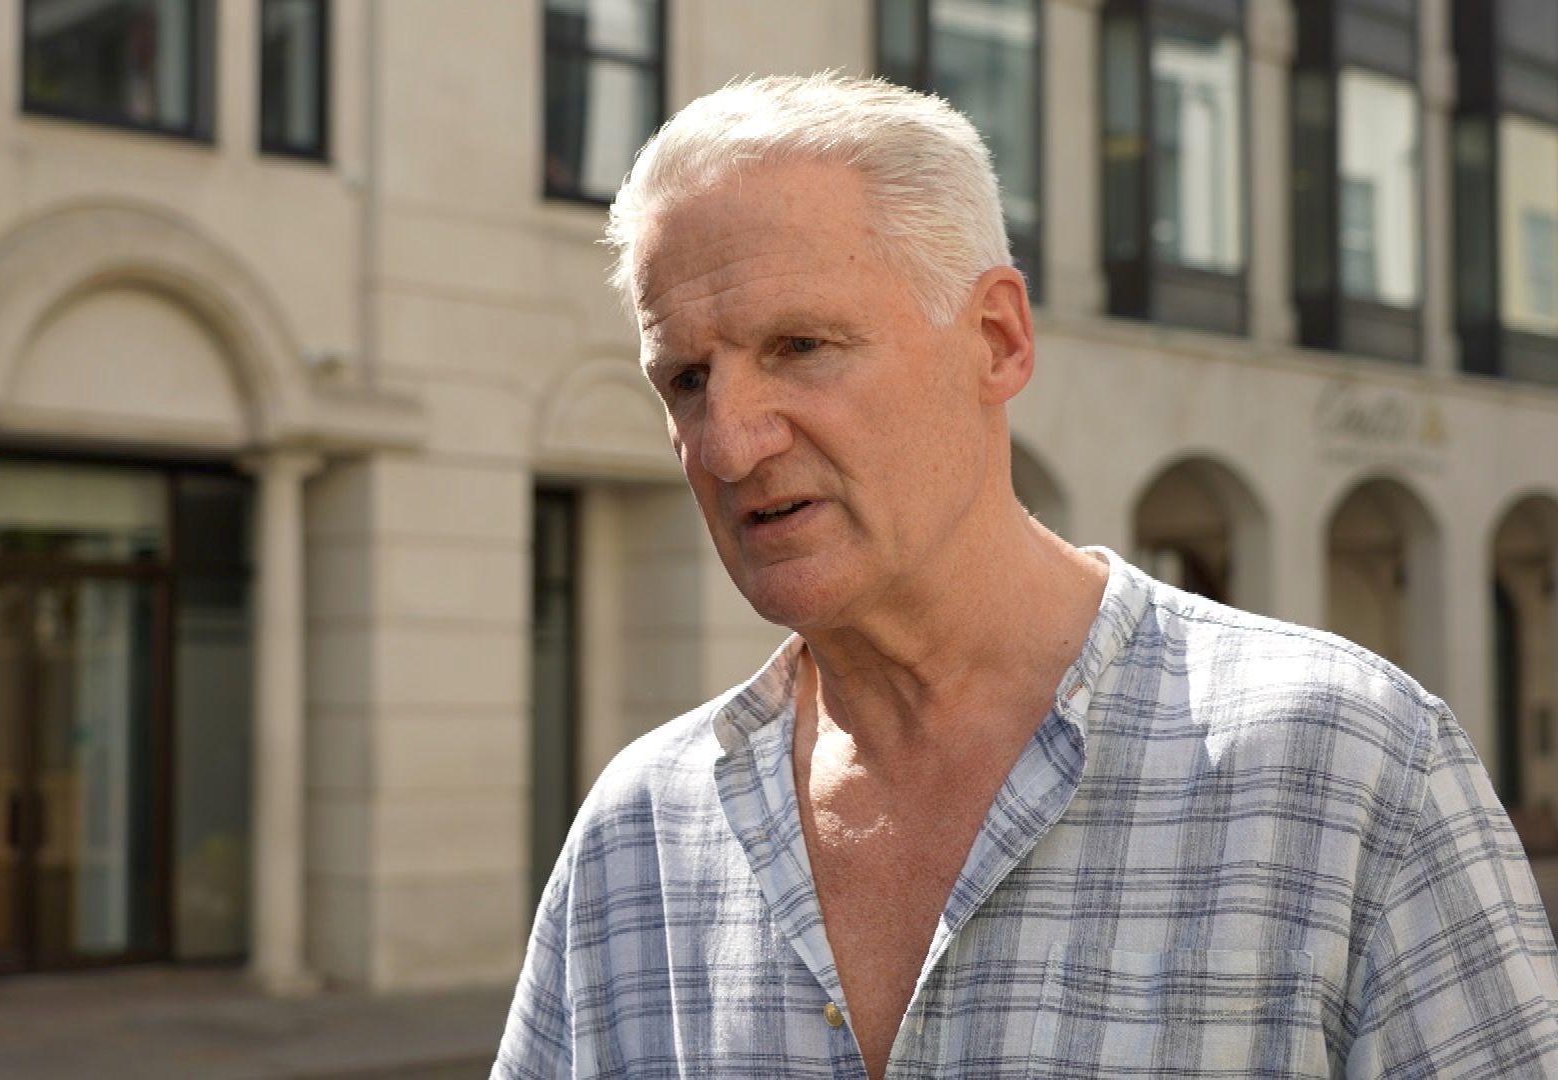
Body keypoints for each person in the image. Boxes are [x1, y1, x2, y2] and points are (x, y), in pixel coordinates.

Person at [494, 74, 1558, 1078]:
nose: (729, 443)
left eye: (801, 346)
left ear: (997, 337)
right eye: (686, 378)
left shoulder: (1352, 768)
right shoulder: (638, 832)